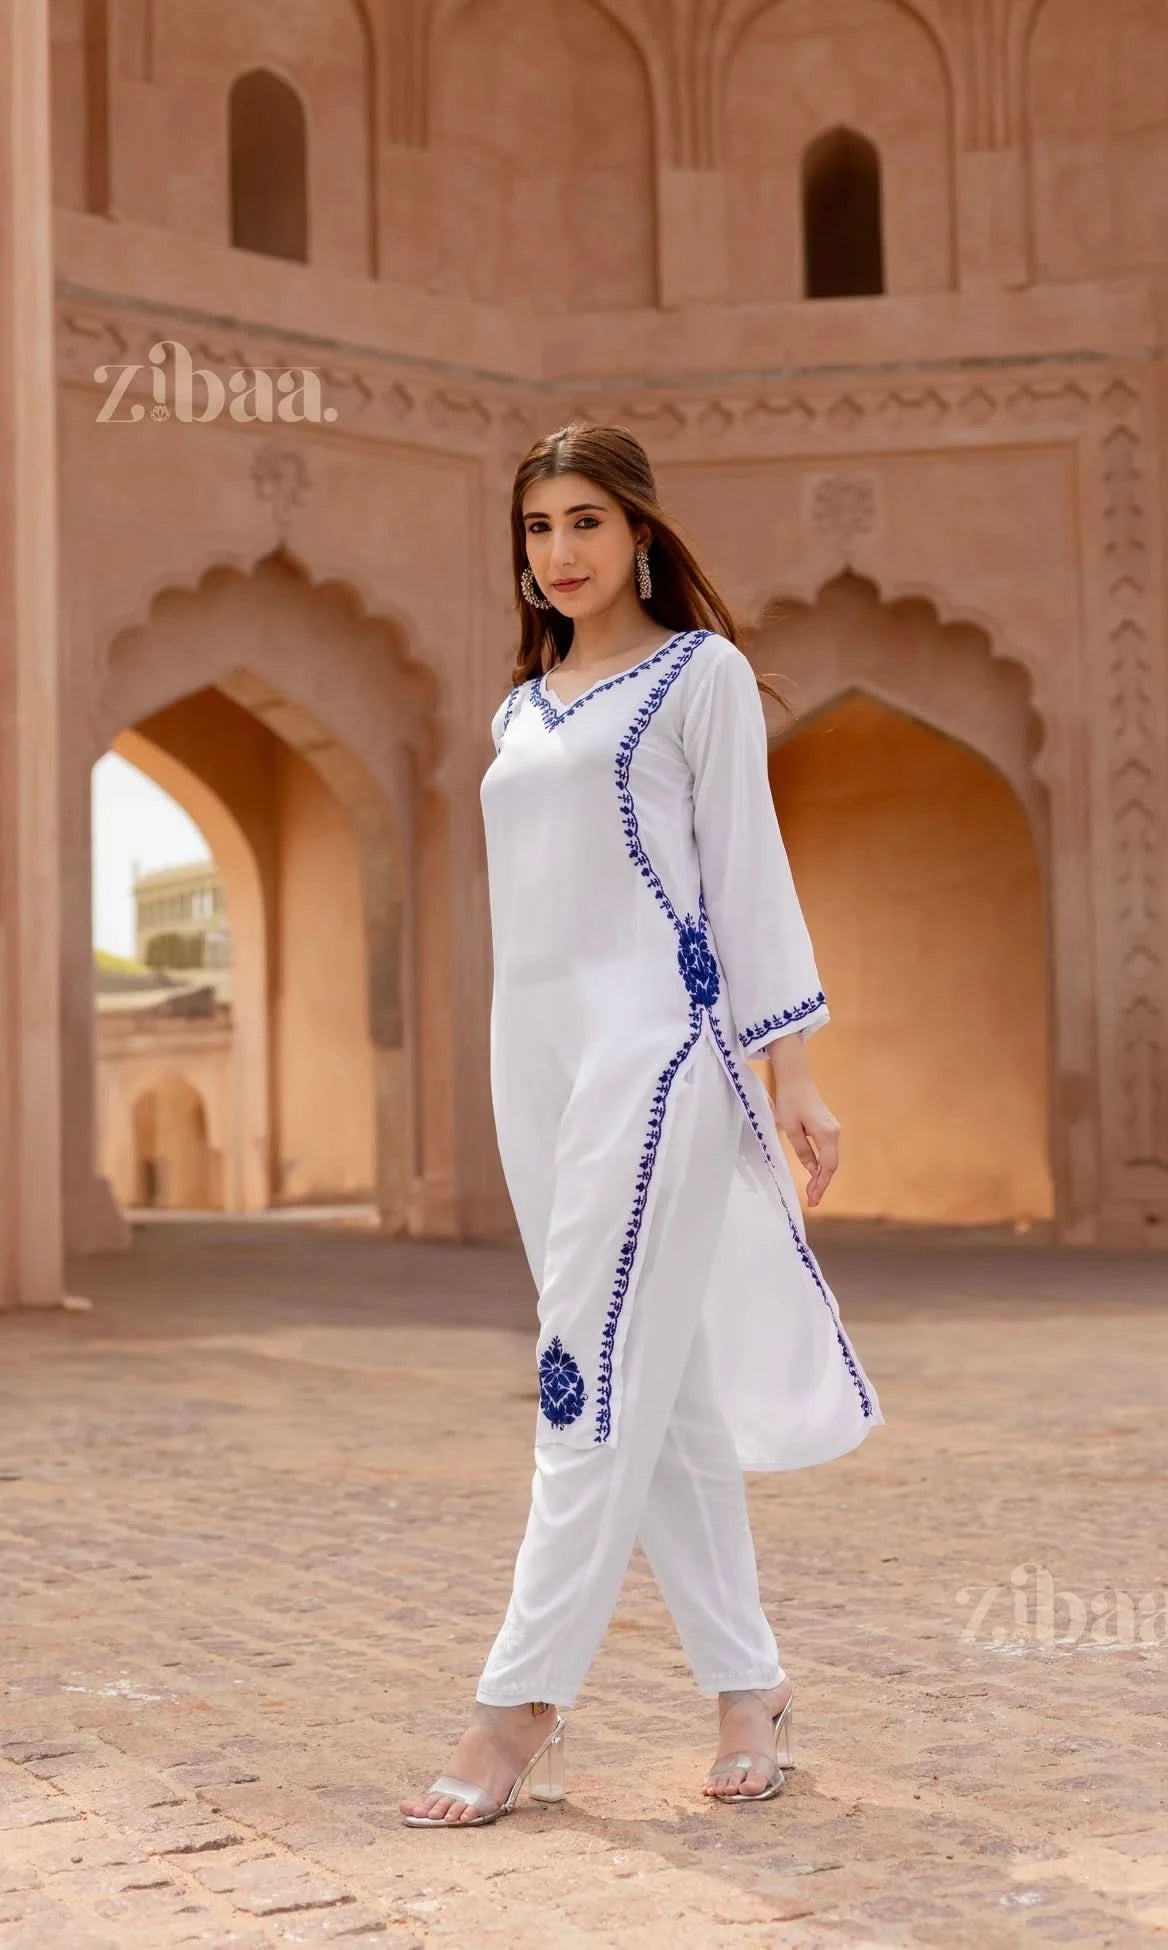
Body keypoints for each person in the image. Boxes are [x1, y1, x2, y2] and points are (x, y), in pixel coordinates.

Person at [400, 422, 883, 1830]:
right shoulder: (520, 711)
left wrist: (791, 1072)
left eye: (586, 524)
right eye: (538, 528)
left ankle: (519, 1708)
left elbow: (747, 871)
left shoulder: (700, 677)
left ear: (643, 535)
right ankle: (751, 1686)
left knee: (579, 1379)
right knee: (653, 1388)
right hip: (536, 1060)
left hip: (660, 1059)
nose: (559, 553)